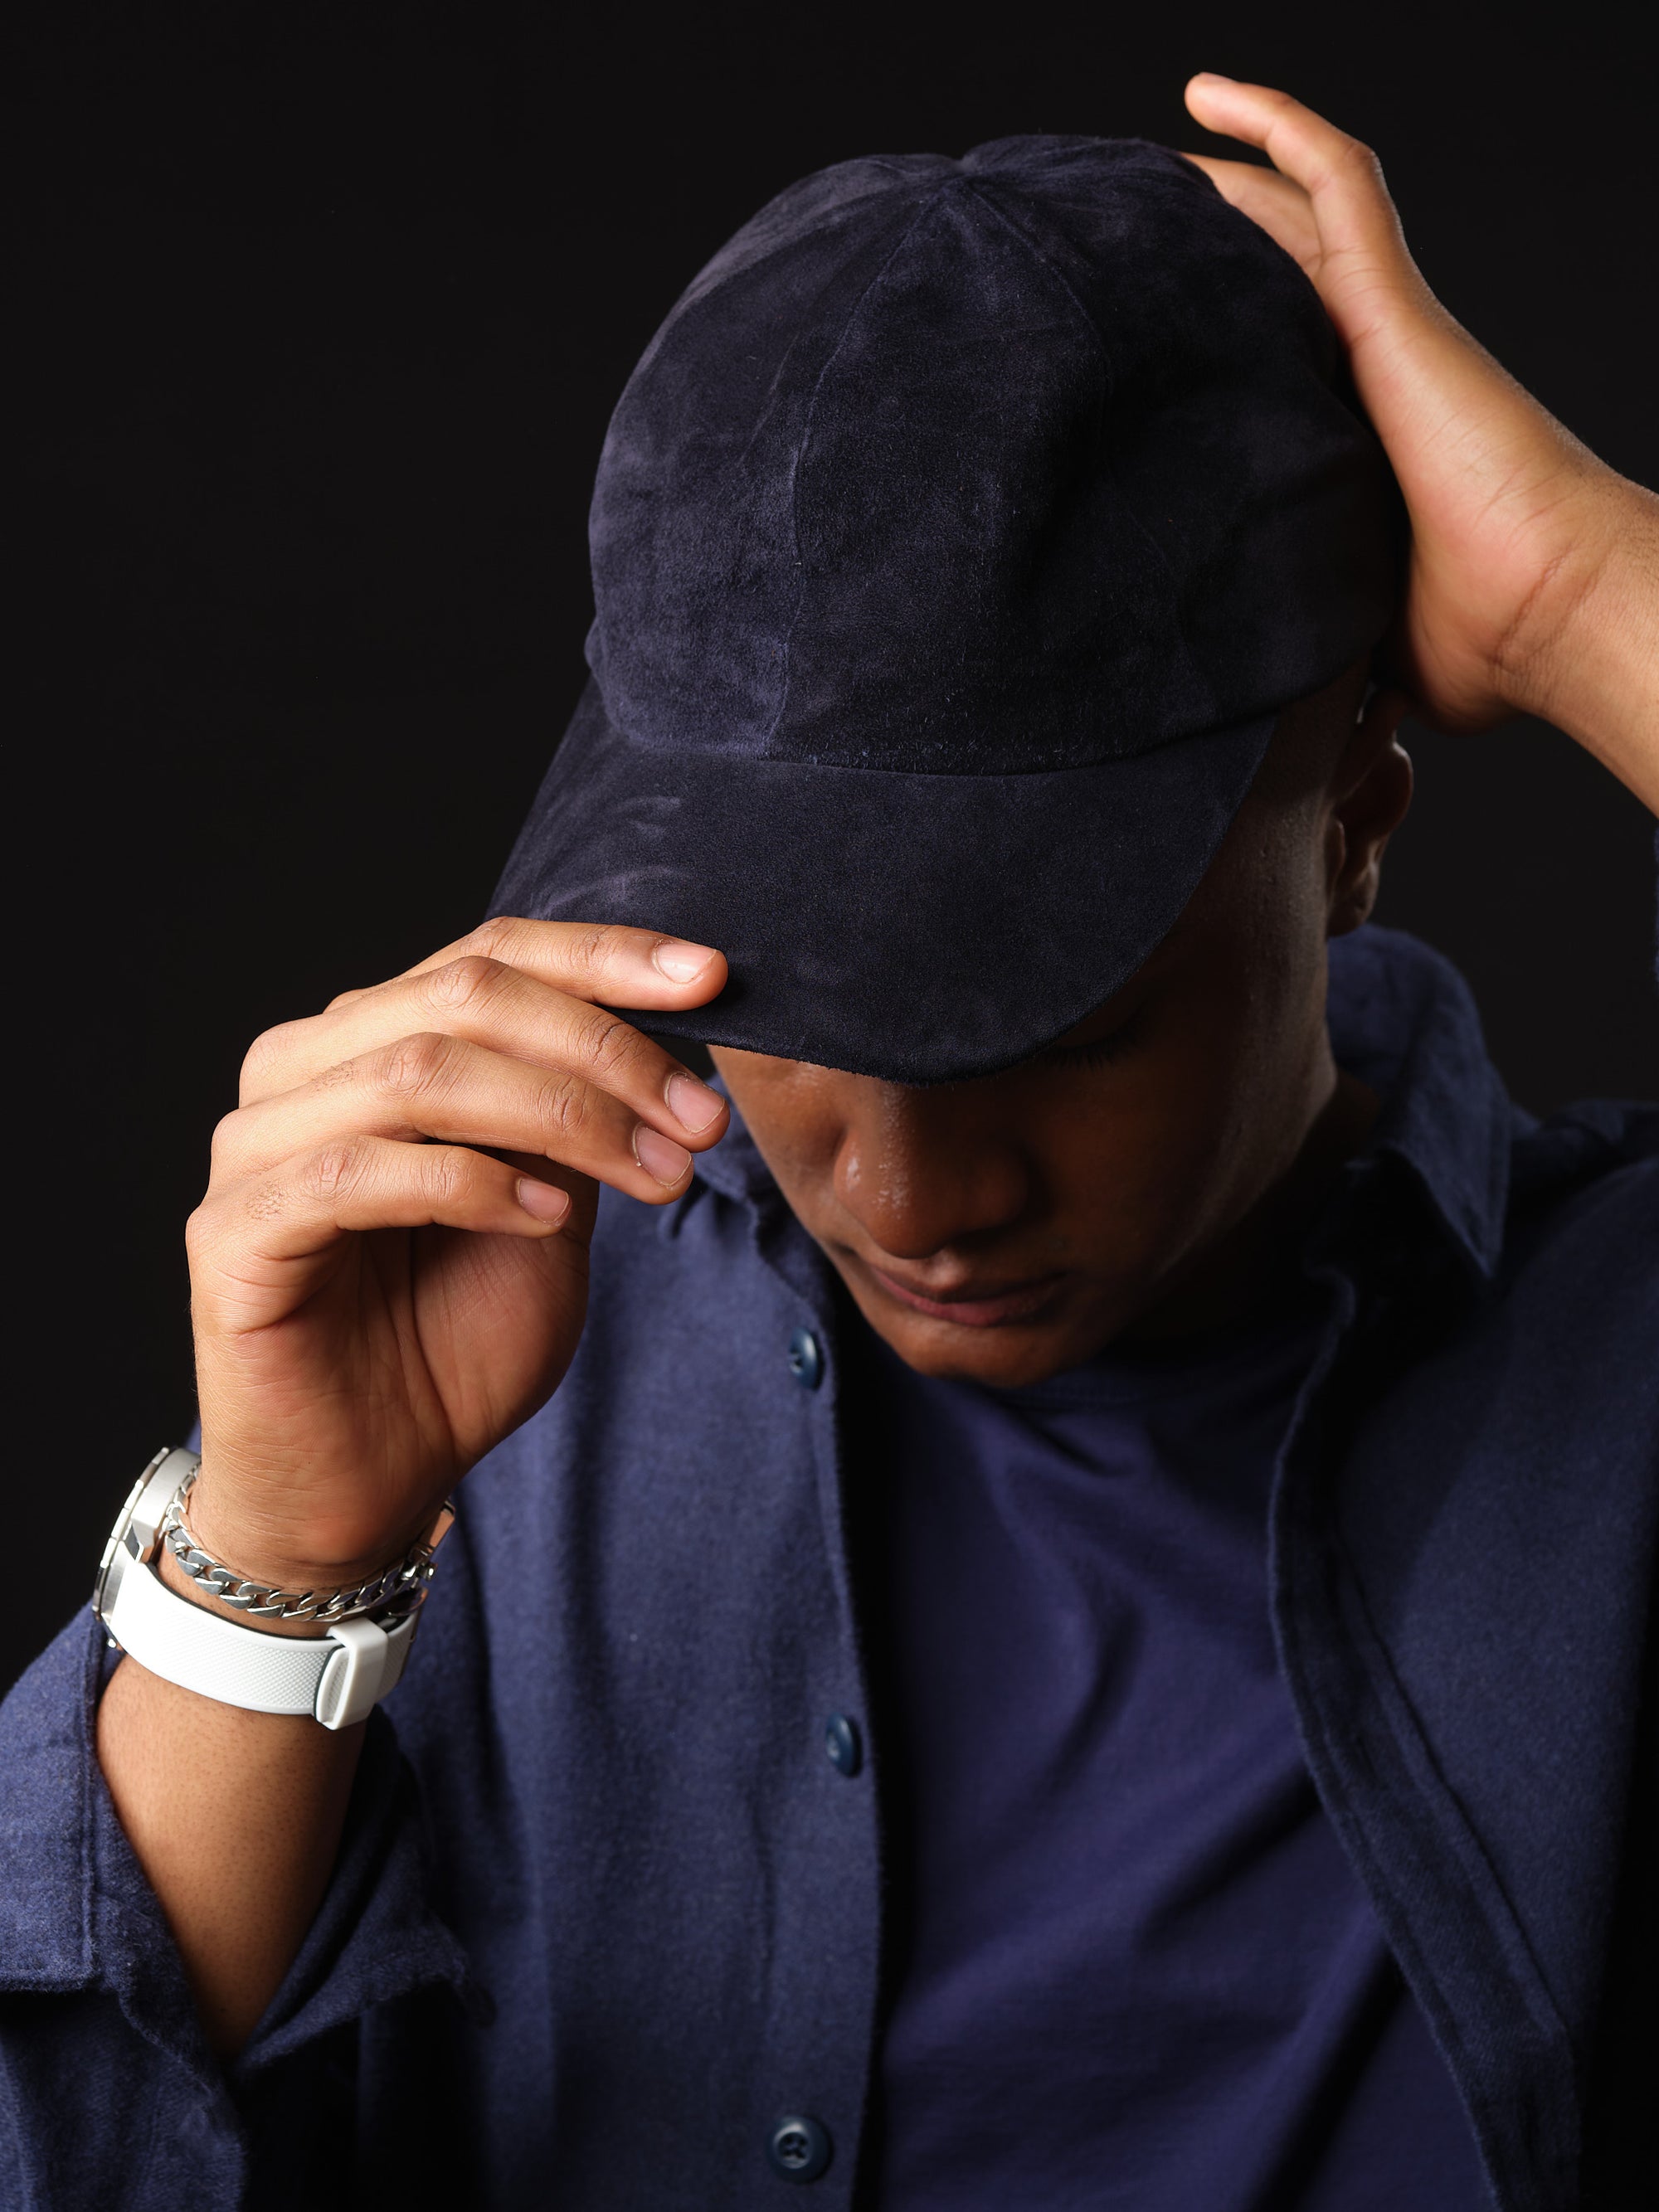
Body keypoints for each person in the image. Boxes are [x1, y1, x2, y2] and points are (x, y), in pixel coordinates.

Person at [2, 75, 1654, 2212]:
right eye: (788, 1007)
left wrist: (1584, 588)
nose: (911, 1196)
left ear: (1353, 823)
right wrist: (284, 1557)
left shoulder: (1612, 1375)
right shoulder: (492, 1376)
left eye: (1060, 1027)